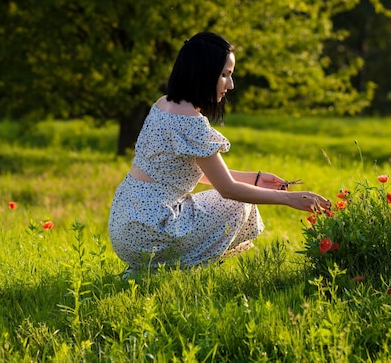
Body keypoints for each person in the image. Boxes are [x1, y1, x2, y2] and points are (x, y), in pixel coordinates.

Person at [108, 31, 331, 271]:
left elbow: (190, 171)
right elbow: (228, 190)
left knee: (239, 198)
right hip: (152, 227)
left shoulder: (164, 105)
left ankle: (143, 272)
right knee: (239, 205)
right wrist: (290, 199)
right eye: (224, 75)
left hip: (125, 223)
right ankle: (177, 269)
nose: (231, 85)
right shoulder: (191, 122)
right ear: (203, 72)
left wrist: (255, 179)